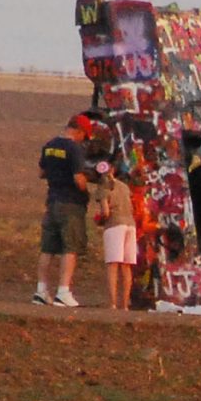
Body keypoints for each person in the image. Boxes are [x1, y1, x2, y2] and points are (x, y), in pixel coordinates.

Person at [35, 116, 92, 306]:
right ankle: (63, 291)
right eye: (85, 136)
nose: (83, 140)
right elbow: (78, 179)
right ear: (79, 131)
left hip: (52, 201)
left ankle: (41, 291)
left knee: (47, 248)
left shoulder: (50, 145)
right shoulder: (74, 148)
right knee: (70, 247)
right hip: (70, 204)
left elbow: (41, 173)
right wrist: (86, 187)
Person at [89, 158, 139, 309]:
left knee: (113, 264)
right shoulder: (124, 186)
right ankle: (125, 304)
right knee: (126, 266)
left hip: (114, 225)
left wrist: (99, 220)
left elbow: (105, 212)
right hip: (130, 225)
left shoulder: (103, 187)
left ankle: (112, 303)